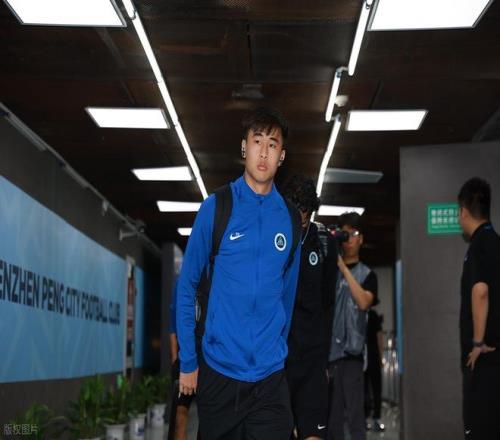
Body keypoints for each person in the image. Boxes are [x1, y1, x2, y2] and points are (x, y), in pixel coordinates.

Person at [176, 107, 301, 440]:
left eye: (272, 144)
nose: (264, 152)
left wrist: (274, 348)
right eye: (257, 141)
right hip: (220, 372)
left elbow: (287, 298)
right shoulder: (216, 207)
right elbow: (186, 287)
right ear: (244, 148)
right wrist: (188, 361)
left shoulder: (290, 220)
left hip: (270, 377)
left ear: (282, 155)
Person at [282, 175, 338, 440]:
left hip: (313, 357)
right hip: (279, 357)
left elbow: (328, 302)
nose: (300, 220)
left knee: (313, 432)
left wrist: (325, 359)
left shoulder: (324, 242)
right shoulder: (274, 241)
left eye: (305, 215)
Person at [327, 212, 378, 440]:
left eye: (353, 233)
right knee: (332, 421)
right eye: (344, 234)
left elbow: (364, 302)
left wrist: (343, 267)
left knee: (356, 420)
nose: (348, 239)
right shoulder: (329, 273)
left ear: (361, 239)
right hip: (329, 356)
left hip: (353, 356)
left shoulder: (367, 274)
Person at [458, 177, 500, 439]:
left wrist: (477, 342)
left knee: (479, 428)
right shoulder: (496, 241)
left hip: (484, 358)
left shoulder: (478, 246)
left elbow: (480, 291)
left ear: (463, 211)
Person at [168, 281, 193, 440]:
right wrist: (175, 360)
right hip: (184, 361)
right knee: (180, 414)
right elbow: (173, 327)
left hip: (210, 360)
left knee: (210, 418)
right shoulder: (182, 282)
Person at [364, 309, 385, 432]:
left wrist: (380, 357)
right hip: (371, 358)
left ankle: (369, 418)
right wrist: (381, 356)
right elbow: (379, 336)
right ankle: (373, 418)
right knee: (374, 389)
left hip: (366, 358)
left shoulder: (366, 314)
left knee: (367, 389)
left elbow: (379, 336)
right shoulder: (372, 315)